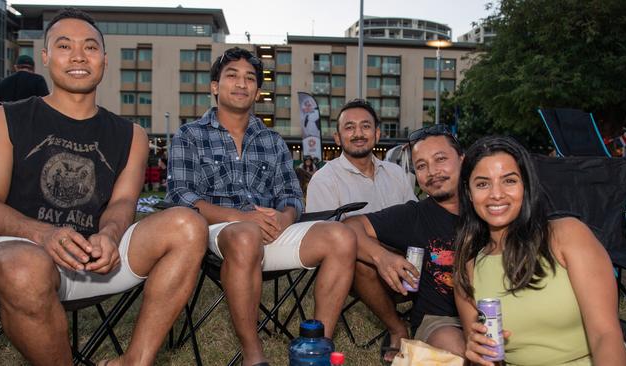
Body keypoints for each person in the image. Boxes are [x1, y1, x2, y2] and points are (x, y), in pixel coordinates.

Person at [0, 8, 208, 366]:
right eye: (64, 45)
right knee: (24, 269)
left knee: (188, 224)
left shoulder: (131, 134)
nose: (77, 56)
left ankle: (135, 360)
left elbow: (123, 202)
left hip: (99, 257)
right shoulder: (4, 117)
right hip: (22, 251)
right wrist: (44, 235)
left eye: (89, 47)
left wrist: (111, 233)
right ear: (45, 57)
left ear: (104, 59)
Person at [166, 47, 357, 366]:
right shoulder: (190, 135)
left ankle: (318, 347)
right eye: (232, 76)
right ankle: (253, 353)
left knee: (342, 237)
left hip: (270, 229)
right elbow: (180, 196)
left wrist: (285, 217)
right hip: (217, 231)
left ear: (257, 89)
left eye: (249, 78)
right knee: (245, 235)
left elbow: (292, 195)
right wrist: (240, 218)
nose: (241, 84)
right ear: (215, 86)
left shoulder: (273, 141)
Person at [453, 136, 626, 365]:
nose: (496, 194)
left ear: (526, 186)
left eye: (509, 181)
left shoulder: (567, 236)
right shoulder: (468, 263)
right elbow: (483, 356)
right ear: (468, 193)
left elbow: (606, 336)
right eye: (483, 184)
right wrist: (477, 355)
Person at [344, 124, 466, 363]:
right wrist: (382, 257)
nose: (432, 171)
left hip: (495, 310)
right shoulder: (415, 216)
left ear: (463, 159)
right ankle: (399, 330)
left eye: (441, 159)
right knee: (459, 357)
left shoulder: (489, 207)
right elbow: (350, 226)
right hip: (441, 319)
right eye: (422, 165)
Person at [306, 98, 416, 216]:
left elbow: (415, 219)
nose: (358, 134)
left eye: (366, 126)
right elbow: (323, 233)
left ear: (377, 134)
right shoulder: (324, 181)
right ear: (337, 138)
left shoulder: (396, 174)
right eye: (349, 127)